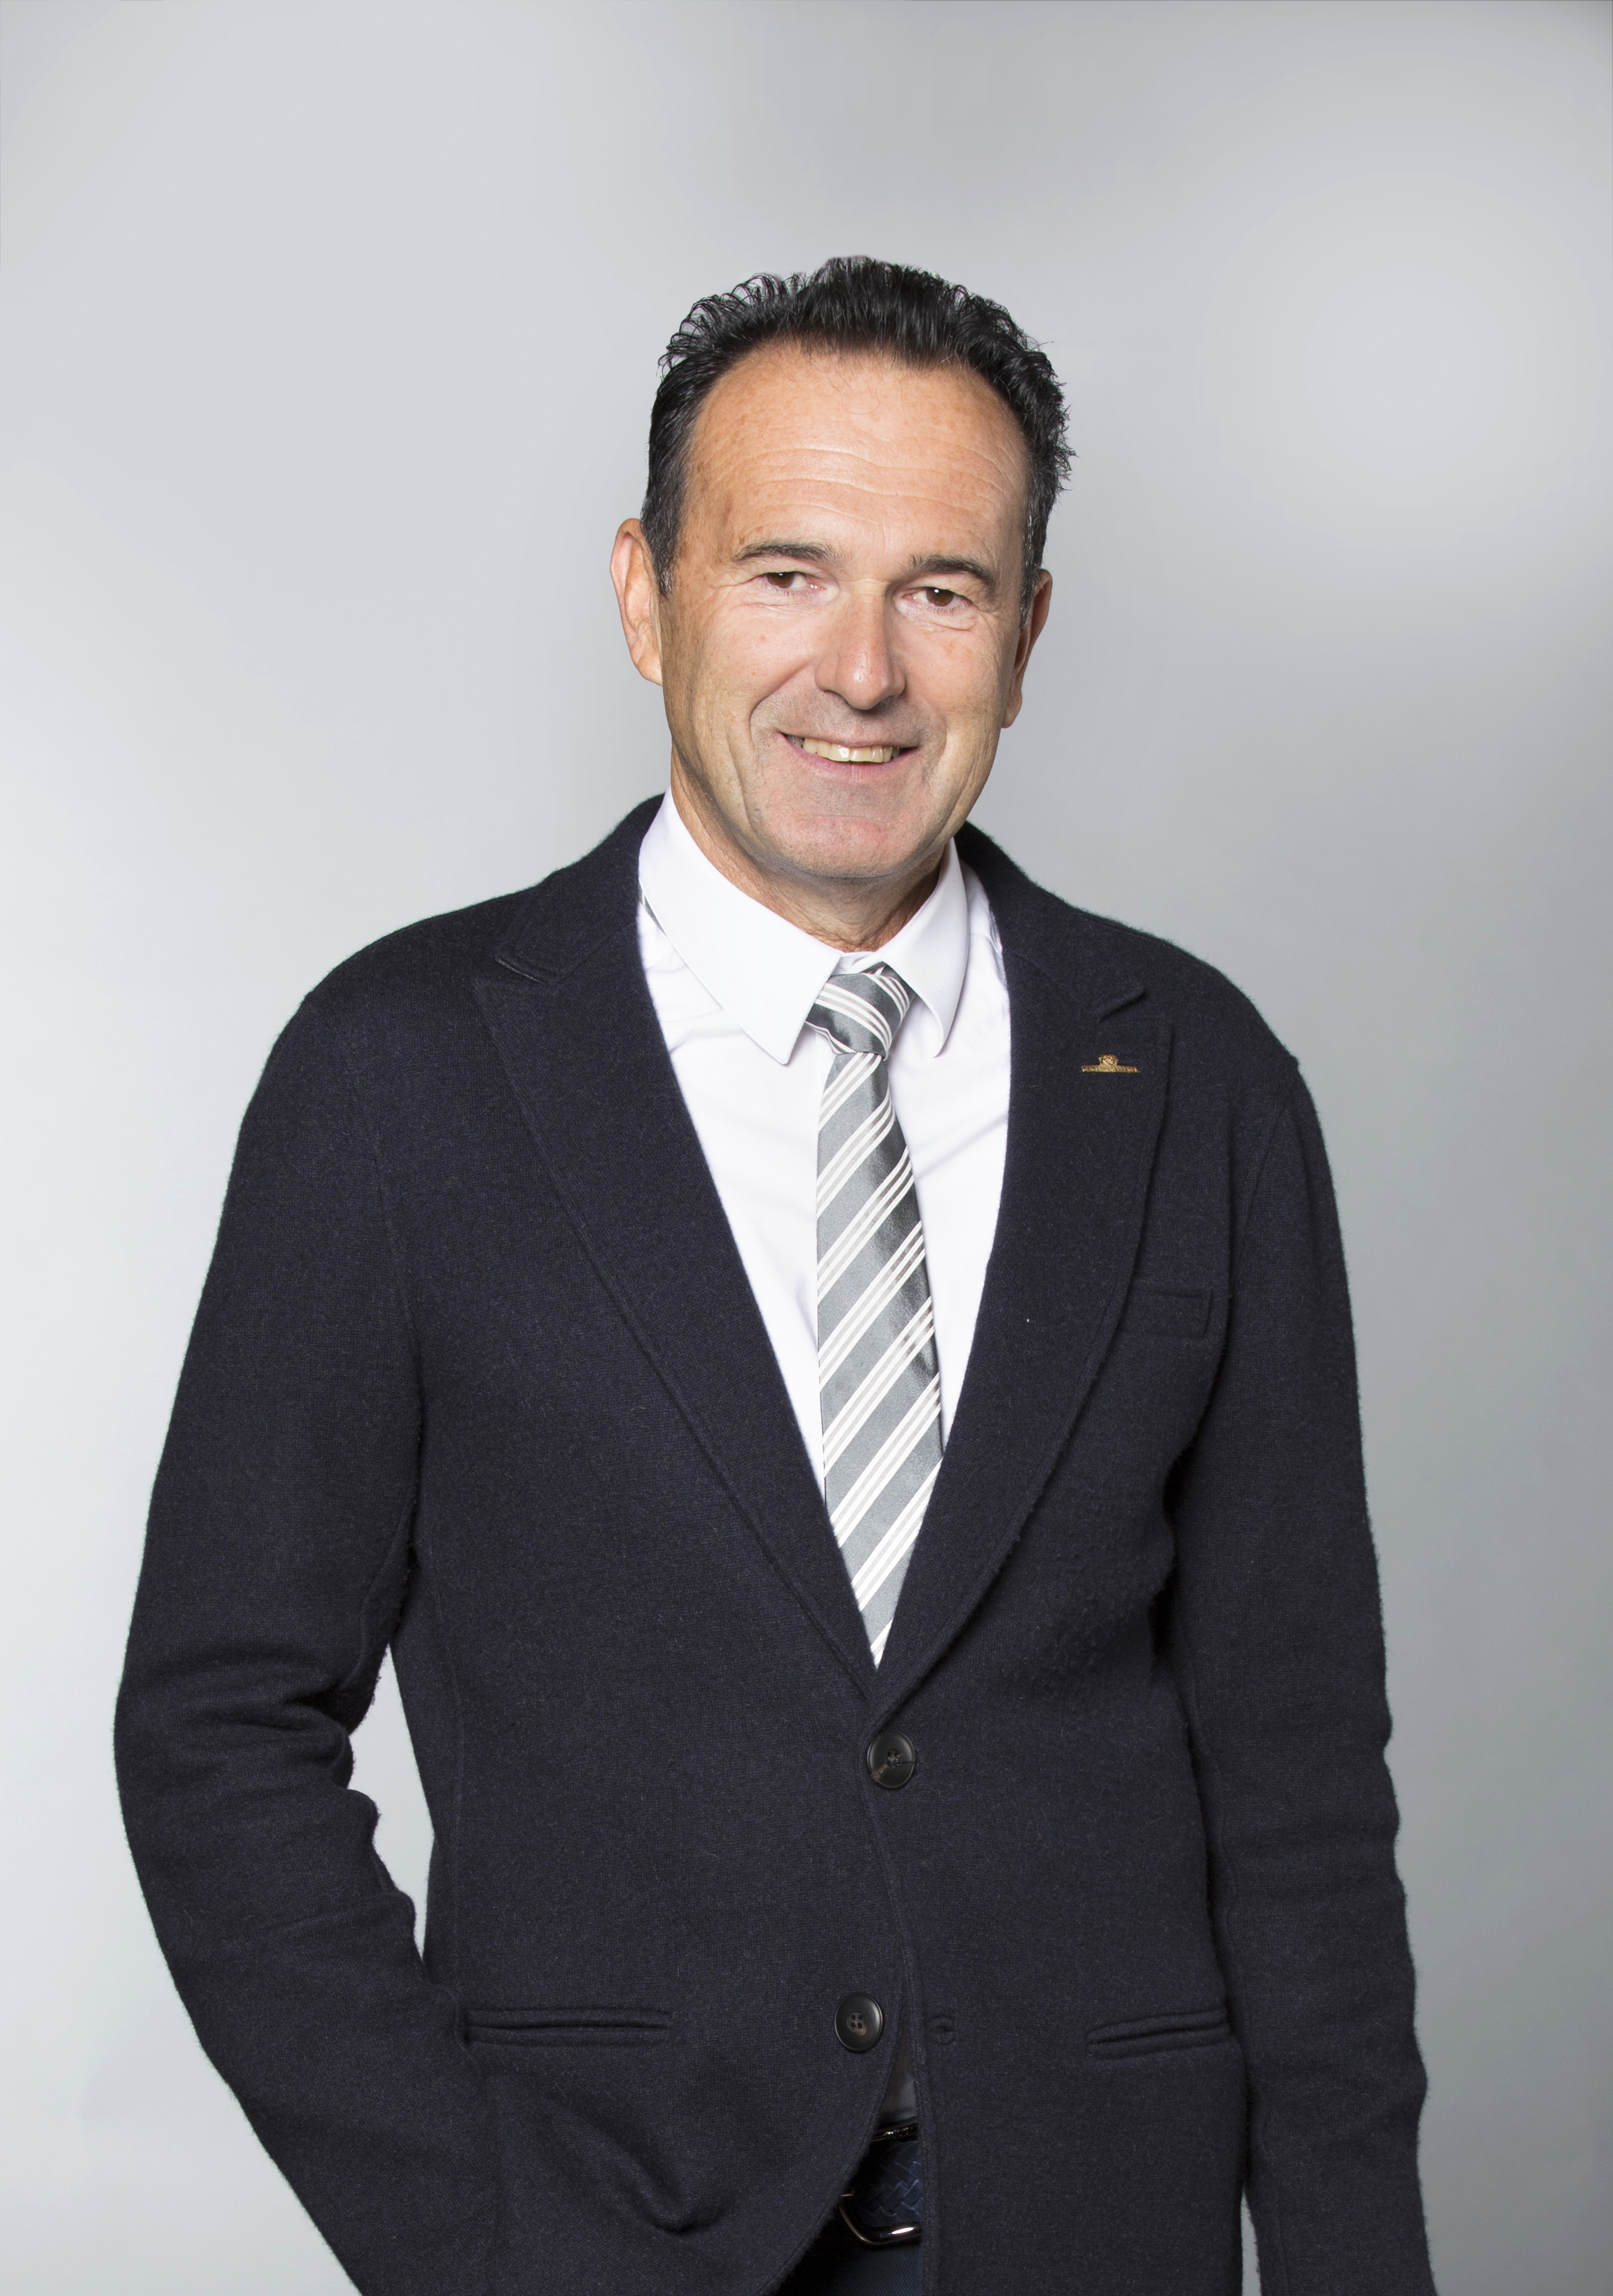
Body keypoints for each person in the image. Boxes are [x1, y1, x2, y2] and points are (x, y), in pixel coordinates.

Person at [115, 257, 1436, 2296]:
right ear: (647, 595)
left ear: (1028, 636)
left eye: (942, 590)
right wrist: (483, 2242)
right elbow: (218, 1727)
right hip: (605, 2227)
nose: (865, 671)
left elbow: (1299, 1775)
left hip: (1094, 2226)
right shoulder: (399, 1074)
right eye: (789, 572)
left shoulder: (1200, 1081)